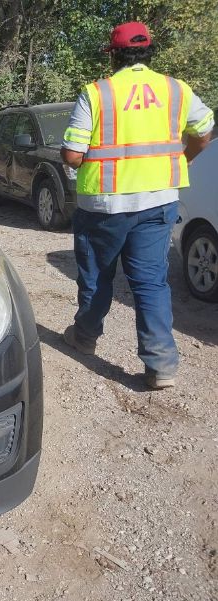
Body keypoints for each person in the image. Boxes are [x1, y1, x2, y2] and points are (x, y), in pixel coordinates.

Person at [60, 21, 214, 389]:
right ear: (148, 52)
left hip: (105, 206)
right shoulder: (176, 90)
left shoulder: (97, 94)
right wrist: (183, 157)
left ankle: (85, 336)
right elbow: (205, 131)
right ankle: (161, 364)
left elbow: (71, 154)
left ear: (114, 54)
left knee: (98, 279)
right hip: (159, 201)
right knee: (150, 283)